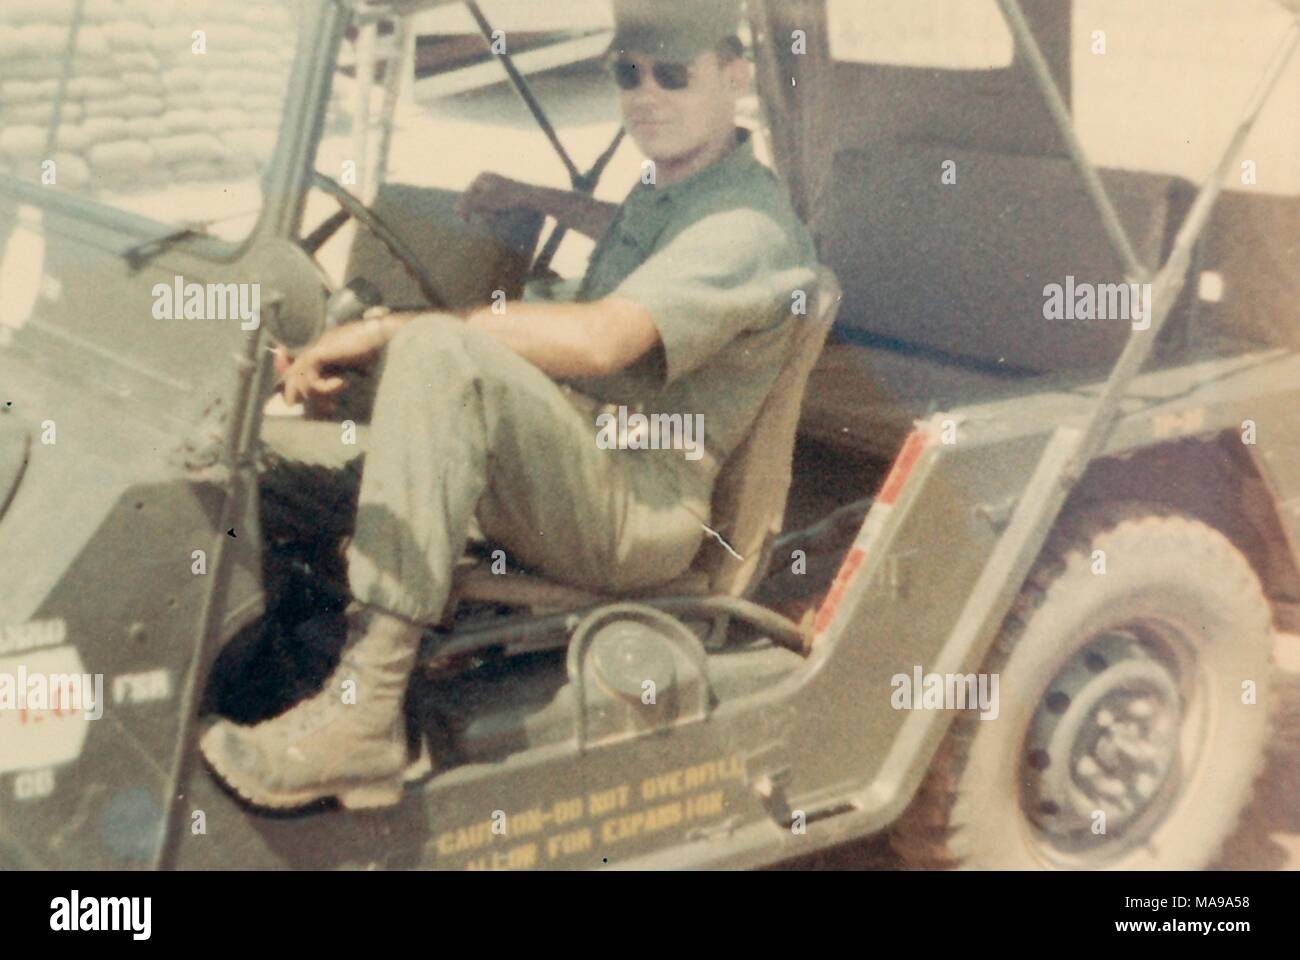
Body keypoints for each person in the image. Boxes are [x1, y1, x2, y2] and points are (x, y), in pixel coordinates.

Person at [200, 0, 819, 810]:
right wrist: (543, 199)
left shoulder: (749, 226)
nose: (646, 94)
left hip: (641, 505)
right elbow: (633, 236)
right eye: (627, 74)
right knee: (285, 480)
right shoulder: (682, 187)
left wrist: (397, 329)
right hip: (583, 458)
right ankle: (252, 652)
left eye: (674, 74)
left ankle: (365, 718)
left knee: (438, 350)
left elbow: (601, 341)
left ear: (735, 78)